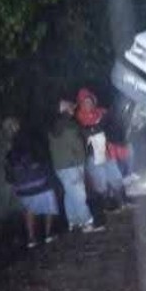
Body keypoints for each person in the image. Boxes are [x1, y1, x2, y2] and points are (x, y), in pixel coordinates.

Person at [48, 99, 104, 233]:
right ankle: (87, 222)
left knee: (70, 194)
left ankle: (73, 221)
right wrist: (83, 157)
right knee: (79, 195)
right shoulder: (69, 125)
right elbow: (77, 145)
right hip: (72, 165)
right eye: (69, 107)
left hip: (60, 167)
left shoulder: (53, 126)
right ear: (64, 110)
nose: (73, 109)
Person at [74, 87, 129, 211]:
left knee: (116, 177)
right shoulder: (78, 118)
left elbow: (112, 123)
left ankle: (123, 201)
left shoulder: (100, 112)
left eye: (89, 101)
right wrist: (98, 126)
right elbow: (85, 132)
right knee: (101, 182)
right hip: (93, 156)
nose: (88, 104)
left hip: (107, 152)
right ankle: (107, 206)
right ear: (81, 104)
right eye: (85, 102)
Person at [5, 126, 60, 249]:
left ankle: (31, 238)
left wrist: (16, 186)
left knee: (29, 211)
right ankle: (48, 234)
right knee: (49, 208)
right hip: (41, 186)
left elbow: (9, 177)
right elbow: (45, 167)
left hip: (23, 191)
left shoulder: (10, 155)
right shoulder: (35, 150)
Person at [0, 117, 24, 236]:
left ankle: (12, 236)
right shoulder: (2, 145)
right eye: (14, 128)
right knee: (3, 210)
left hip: (9, 182)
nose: (16, 130)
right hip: (4, 182)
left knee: (13, 209)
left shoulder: (9, 143)